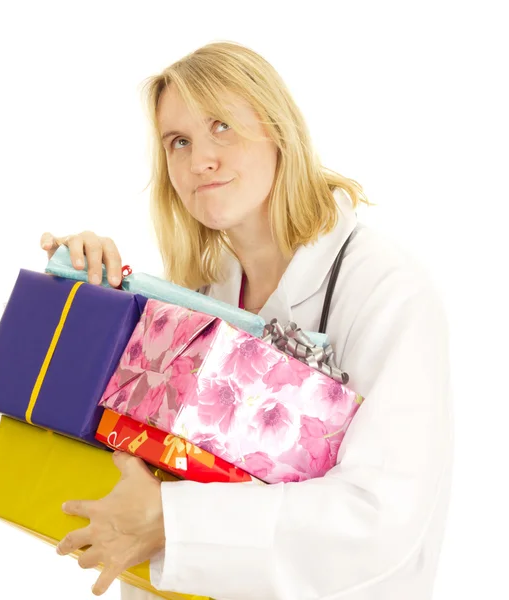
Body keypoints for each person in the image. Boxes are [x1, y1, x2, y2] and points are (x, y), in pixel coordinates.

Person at [46, 42, 453, 600]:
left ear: (279, 131)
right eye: (179, 142)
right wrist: (87, 299)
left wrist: (174, 522)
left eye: (222, 127)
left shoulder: (384, 286)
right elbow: (131, 477)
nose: (199, 161)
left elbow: (380, 519)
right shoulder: (196, 295)